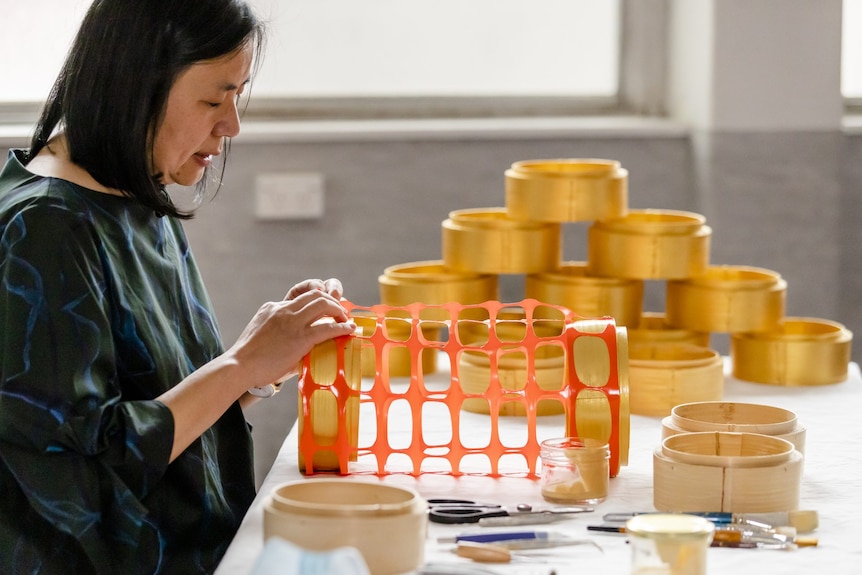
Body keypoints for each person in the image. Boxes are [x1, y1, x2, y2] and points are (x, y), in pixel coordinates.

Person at [0, 1, 356, 573]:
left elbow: (166, 408)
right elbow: (84, 474)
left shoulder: (138, 193)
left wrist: (264, 362)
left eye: (238, 97)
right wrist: (239, 365)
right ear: (134, 86)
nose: (231, 125)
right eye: (214, 99)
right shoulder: (44, 228)